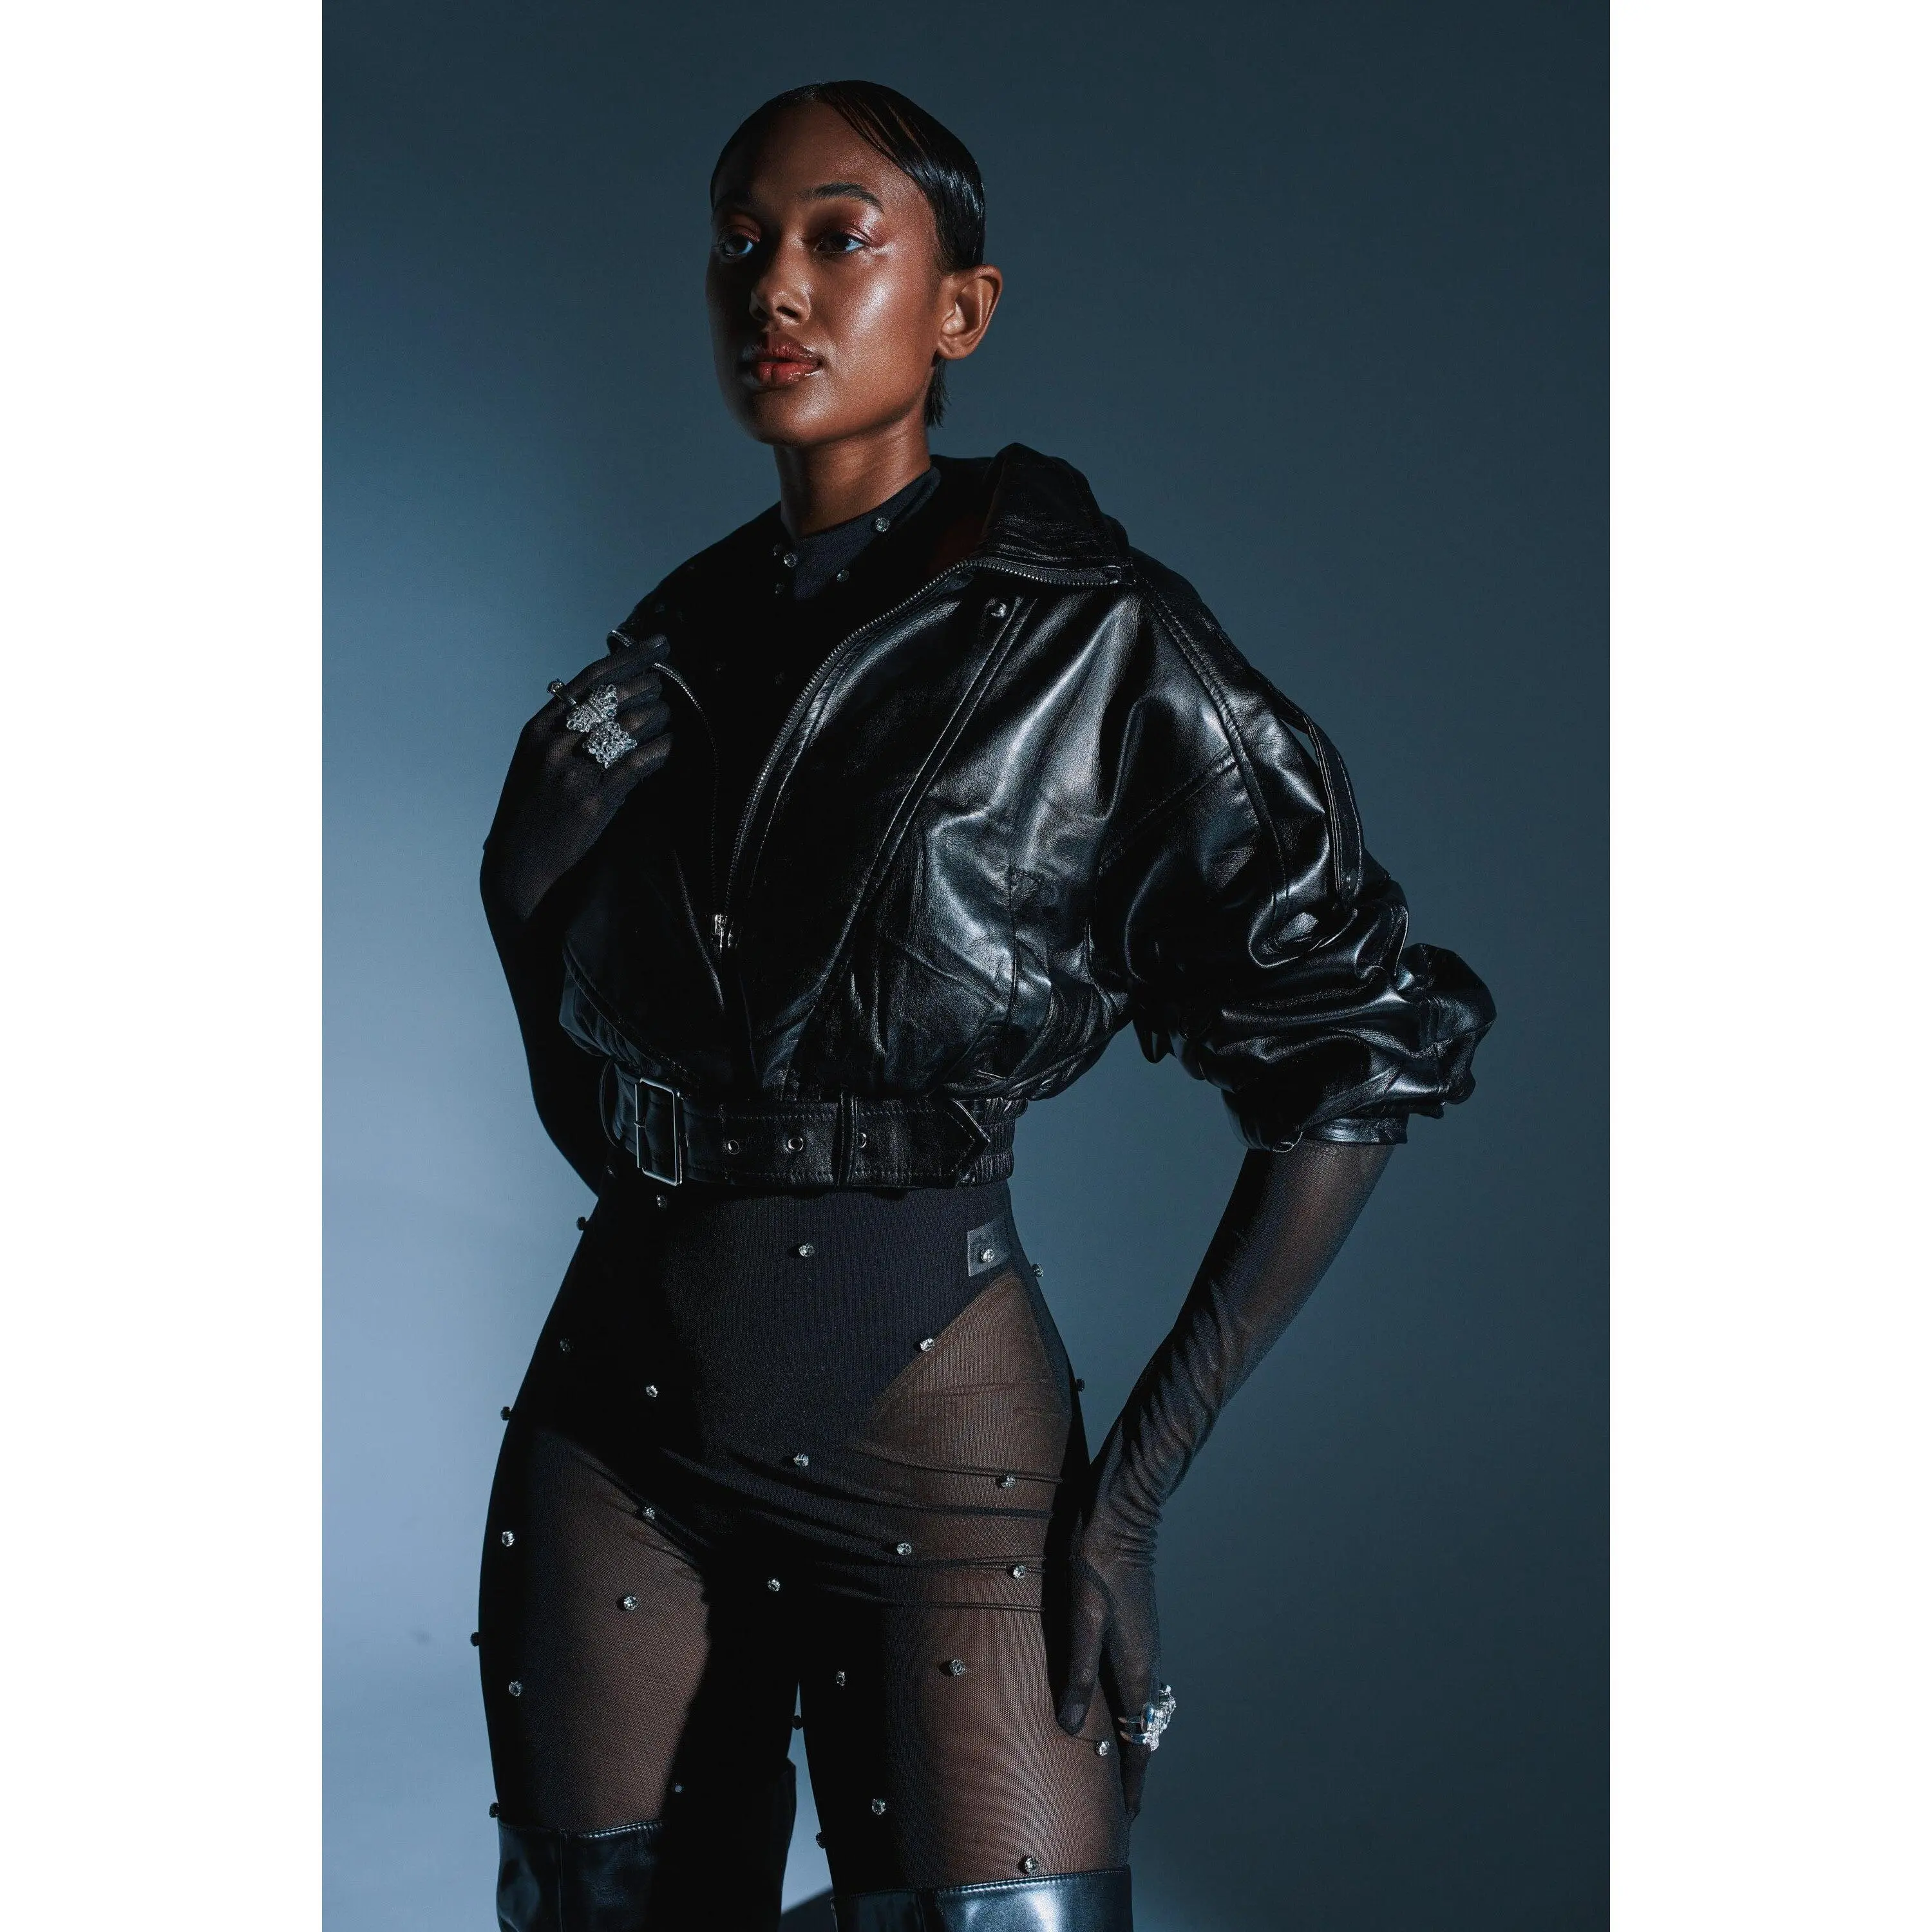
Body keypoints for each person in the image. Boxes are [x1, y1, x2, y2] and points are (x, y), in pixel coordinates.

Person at [476, 79, 1493, 1932]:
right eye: (740, 244)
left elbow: (1355, 1055)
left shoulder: (1099, 640)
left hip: (932, 1452)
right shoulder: (675, 647)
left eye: (838, 239)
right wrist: (519, 894)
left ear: (962, 308)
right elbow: (611, 1125)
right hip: (613, 1435)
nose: (776, 287)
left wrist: (1132, 1498)